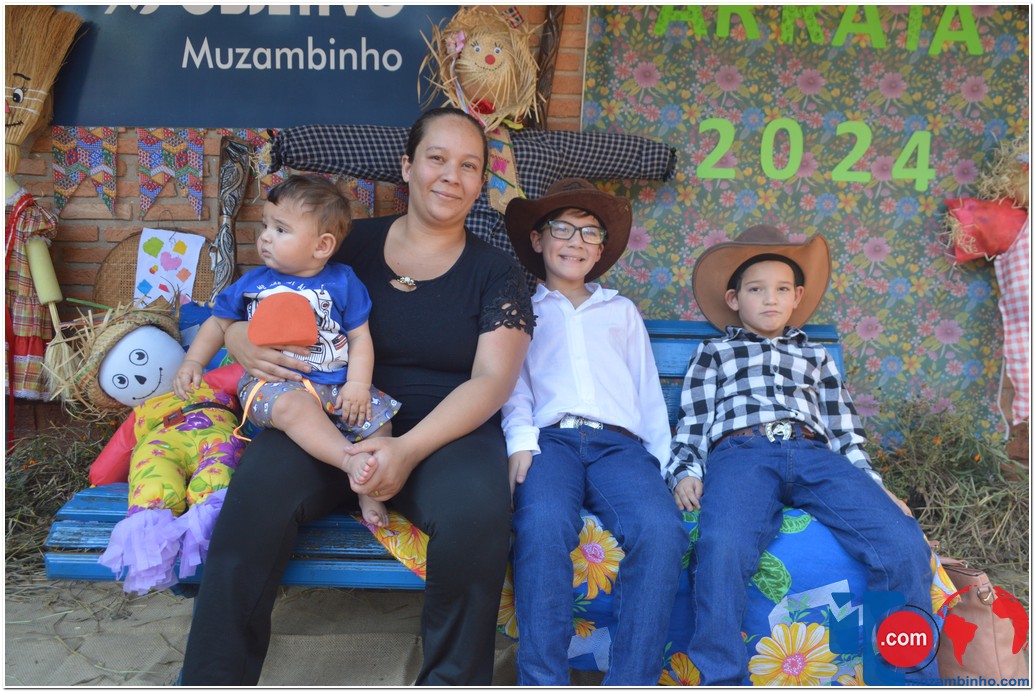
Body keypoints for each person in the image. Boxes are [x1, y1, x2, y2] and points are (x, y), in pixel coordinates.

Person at [178, 107, 535, 686]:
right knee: (257, 494)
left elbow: (492, 380)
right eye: (437, 158)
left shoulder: (497, 272)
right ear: (408, 167)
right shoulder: (347, 245)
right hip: (327, 415)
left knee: (478, 515)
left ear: (480, 183)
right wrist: (241, 338)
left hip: (445, 431)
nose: (451, 175)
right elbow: (260, 297)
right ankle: (213, 679)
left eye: (469, 166)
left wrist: (406, 450)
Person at [664, 224, 934, 685]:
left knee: (902, 541)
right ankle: (721, 677)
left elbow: (845, 432)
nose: (769, 298)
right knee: (722, 545)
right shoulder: (715, 352)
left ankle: (900, 677)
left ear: (797, 297)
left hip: (814, 454)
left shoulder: (816, 356)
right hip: (742, 453)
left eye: (782, 289)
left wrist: (875, 487)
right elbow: (694, 420)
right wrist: (686, 469)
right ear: (734, 299)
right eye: (756, 289)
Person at [501, 179, 688, 685]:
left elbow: (647, 392)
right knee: (542, 524)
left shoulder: (620, 311)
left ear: (601, 250)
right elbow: (512, 384)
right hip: (551, 441)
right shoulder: (521, 308)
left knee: (661, 530)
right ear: (538, 239)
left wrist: (665, 465)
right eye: (563, 228)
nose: (576, 241)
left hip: (619, 447)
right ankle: (544, 679)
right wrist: (521, 443)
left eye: (590, 233)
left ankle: (632, 679)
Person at [174, 174, 400, 527]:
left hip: (336, 385)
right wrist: (193, 361)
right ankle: (347, 461)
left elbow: (360, 337)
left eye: (280, 229)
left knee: (380, 420)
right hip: (274, 385)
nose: (265, 236)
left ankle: (367, 490)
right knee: (295, 407)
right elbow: (218, 324)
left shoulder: (344, 281)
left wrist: (358, 385)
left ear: (322, 246)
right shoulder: (253, 283)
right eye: (265, 225)